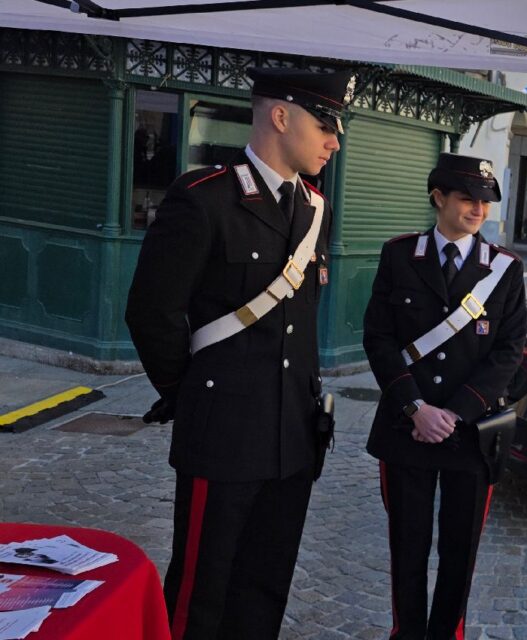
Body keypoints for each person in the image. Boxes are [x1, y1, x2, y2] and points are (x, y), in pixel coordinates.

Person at [125, 67, 350, 639]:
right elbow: (152, 312)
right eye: (324, 125)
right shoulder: (205, 199)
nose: (334, 140)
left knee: (264, 589)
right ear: (281, 117)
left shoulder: (313, 209)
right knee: (202, 592)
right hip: (222, 437)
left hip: (292, 441)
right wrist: (192, 396)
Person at [362, 153, 527, 640]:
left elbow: (508, 352)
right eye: (466, 198)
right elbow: (379, 338)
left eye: (485, 201)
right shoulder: (399, 255)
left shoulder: (504, 269)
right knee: (407, 545)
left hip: (469, 435)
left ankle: (447, 633)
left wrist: (452, 415)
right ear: (438, 197)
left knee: (461, 549)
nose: (477, 209)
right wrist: (415, 407)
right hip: (405, 427)